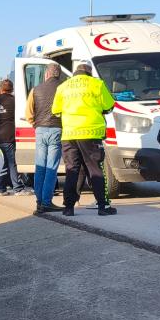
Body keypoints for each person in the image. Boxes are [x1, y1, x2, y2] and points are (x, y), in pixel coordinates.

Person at [54, 60, 117, 216]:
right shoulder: (97, 84)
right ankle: (103, 206)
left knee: (72, 170)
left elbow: (56, 110)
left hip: (69, 135)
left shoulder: (63, 87)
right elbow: (109, 106)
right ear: (89, 72)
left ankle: (68, 208)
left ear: (75, 72)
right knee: (95, 170)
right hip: (91, 134)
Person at [24, 64, 64, 213]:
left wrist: (36, 125)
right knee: (51, 168)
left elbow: (28, 113)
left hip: (40, 130)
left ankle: (39, 201)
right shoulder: (63, 88)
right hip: (57, 129)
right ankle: (47, 202)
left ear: (46, 74)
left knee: (40, 167)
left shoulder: (35, 90)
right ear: (58, 75)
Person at [0, 79, 27, 195]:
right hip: (9, 136)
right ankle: (17, 188)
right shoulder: (14, 101)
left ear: (1, 89)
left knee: (2, 163)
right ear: (12, 89)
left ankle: (0, 188)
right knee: (11, 162)